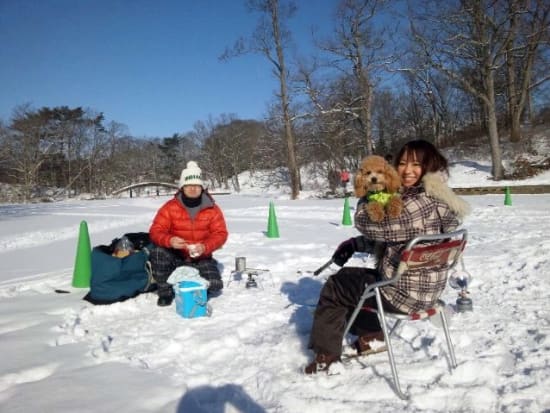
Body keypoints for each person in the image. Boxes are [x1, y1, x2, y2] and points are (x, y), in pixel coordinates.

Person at [305, 139, 470, 374]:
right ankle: (372, 337)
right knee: (360, 279)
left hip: (403, 293)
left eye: (416, 164)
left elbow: (369, 224)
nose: (407, 170)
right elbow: (402, 237)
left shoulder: (413, 204)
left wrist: (369, 194)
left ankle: (326, 356)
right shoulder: (441, 198)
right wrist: (355, 244)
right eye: (402, 163)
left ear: (429, 165)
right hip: (430, 291)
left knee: (339, 285)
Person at [149, 161, 228, 307]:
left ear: (202, 187)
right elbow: (155, 231)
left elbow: (221, 234)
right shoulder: (169, 207)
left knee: (216, 285)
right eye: (188, 185)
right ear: (182, 187)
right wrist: (170, 240)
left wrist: (204, 247)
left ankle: (192, 276)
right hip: (176, 256)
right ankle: (165, 292)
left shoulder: (212, 209)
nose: (192, 188)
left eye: (197, 185)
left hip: (201, 257)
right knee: (158, 252)